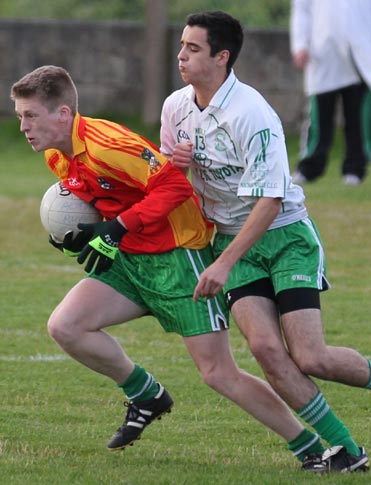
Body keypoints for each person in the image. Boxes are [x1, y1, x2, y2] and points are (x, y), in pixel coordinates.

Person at [10, 65, 339, 466]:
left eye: (30, 115)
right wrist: (83, 231)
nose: (23, 126)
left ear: (63, 114)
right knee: (66, 326)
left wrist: (118, 227)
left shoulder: (107, 144)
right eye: (19, 116)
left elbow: (174, 186)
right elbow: (107, 199)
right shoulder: (57, 156)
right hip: (131, 257)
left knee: (219, 373)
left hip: (178, 257)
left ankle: (309, 447)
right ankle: (145, 394)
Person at [160, 11, 371, 472]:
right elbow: (177, 184)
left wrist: (224, 264)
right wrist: (179, 167)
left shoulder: (252, 114)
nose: (181, 55)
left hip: (284, 235)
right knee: (267, 351)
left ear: (221, 57)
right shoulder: (176, 108)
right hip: (232, 241)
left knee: (310, 356)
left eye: (193, 48)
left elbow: (271, 201)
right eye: (182, 46)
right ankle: (347, 451)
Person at [289, 0, 371, 185]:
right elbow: (302, 10)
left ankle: (355, 170)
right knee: (319, 117)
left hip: (361, 54)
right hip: (322, 54)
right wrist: (300, 45)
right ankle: (309, 168)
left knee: (358, 118)